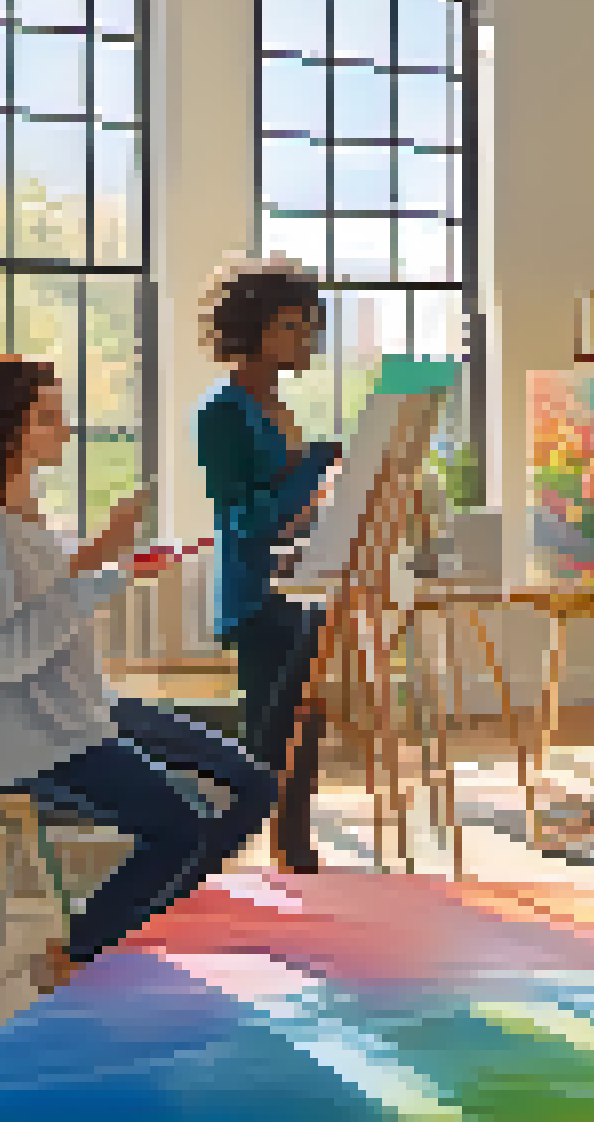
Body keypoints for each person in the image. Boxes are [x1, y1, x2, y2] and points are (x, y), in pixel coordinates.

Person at [0, 357, 279, 988]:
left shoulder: (17, 510)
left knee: (252, 784)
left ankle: (156, 927)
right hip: (39, 733)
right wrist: (100, 582)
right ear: (6, 426)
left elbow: (47, 591)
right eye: (49, 417)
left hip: (86, 706)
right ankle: (80, 953)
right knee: (181, 824)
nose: (65, 429)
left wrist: (115, 558)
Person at [194, 263, 344, 874]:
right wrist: (316, 465)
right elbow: (247, 521)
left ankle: (291, 845)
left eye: (310, 323)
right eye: (293, 324)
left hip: (292, 587)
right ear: (253, 328)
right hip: (257, 596)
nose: (307, 336)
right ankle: (221, 855)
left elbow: (287, 508)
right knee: (272, 732)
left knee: (305, 719)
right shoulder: (225, 410)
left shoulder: (270, 404)